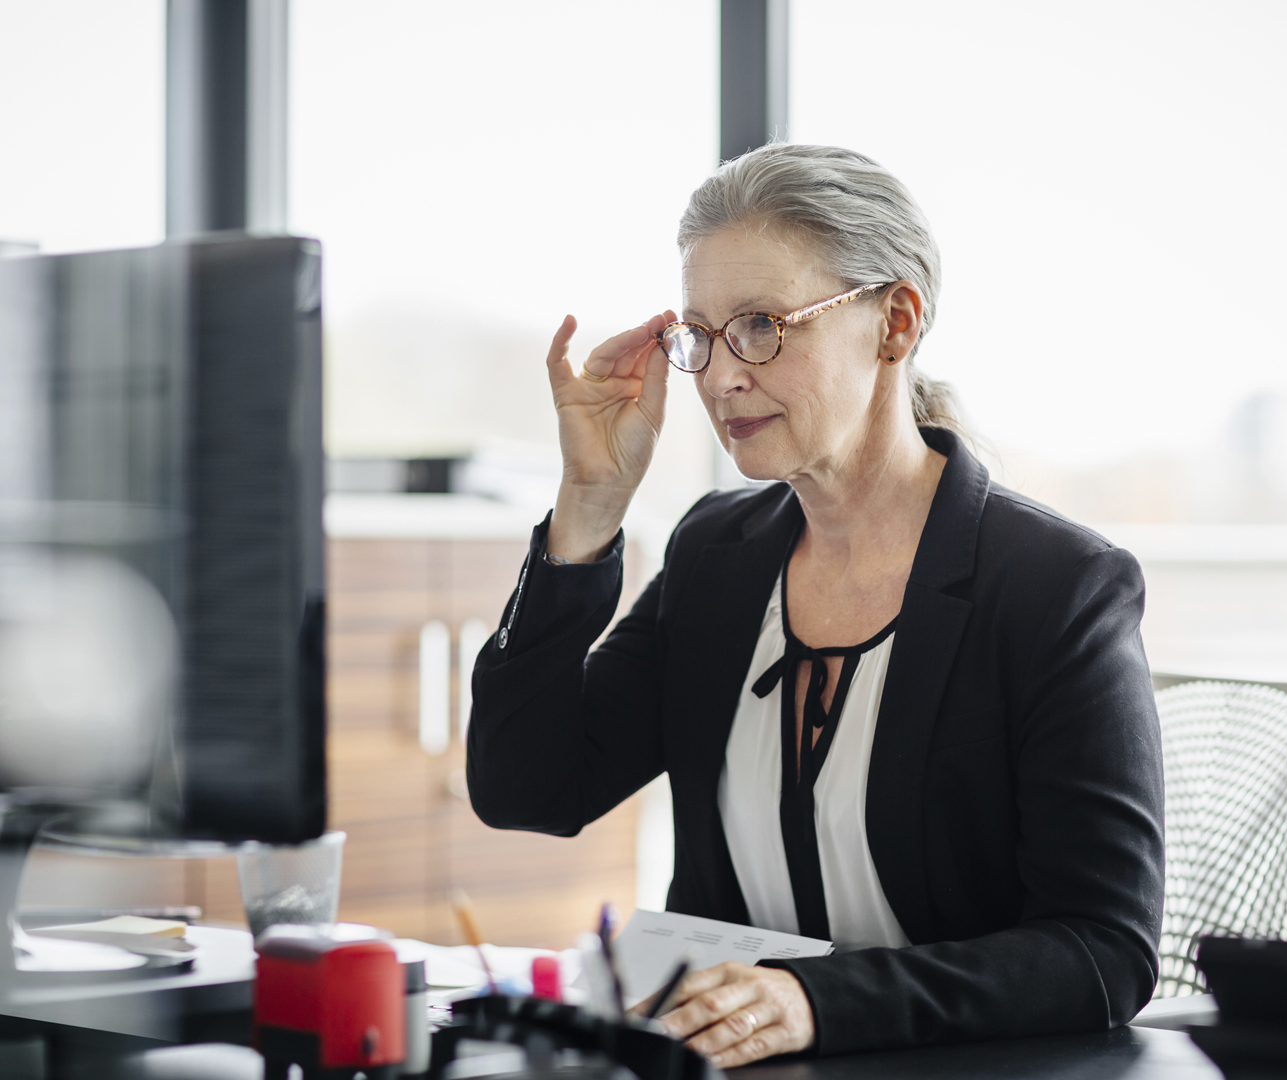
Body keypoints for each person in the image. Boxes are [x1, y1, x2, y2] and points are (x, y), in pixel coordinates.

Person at [467, 143, 1165, 1067]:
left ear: (895, 322)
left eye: (762, 325)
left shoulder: (1055, 587)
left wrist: (814, 1002)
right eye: (703, 336)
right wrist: (588, 512)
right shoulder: (717, 554)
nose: (720, 377)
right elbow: (529, 790)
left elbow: (1103, 952)